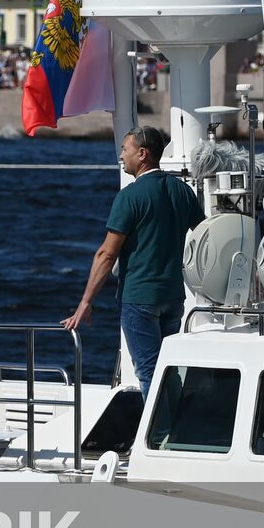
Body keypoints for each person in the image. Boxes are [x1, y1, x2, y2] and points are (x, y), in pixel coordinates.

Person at [62, 125, 203, 396]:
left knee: (149, 372)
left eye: (125, 149)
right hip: (173, 296)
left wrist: (85, 303)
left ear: (142, 154)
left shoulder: (130, 196)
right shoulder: (183, 191)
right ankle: (171, 427)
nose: (121, 155)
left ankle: (158, 435)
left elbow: (106, 254)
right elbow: (206, 234)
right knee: (168, 369)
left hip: (140, 298)